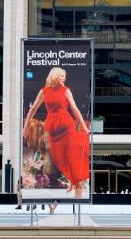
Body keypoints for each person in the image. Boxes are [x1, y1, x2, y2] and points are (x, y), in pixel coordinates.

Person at [22, 67, 90, 198]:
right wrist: (25, 128)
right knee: (59, 158)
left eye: (65, 76)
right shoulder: (44, 91)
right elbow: (33, 109)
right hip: (53, 126)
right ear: (55, 76)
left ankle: (78, 186)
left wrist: (83, 126)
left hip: (66, 124)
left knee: (70, 155)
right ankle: (72, 180)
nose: (64, 78)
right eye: (62, 76)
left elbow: (75, 109)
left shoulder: (66, 91)